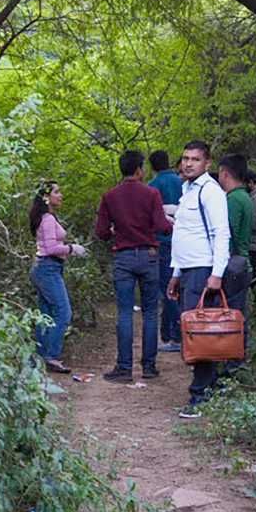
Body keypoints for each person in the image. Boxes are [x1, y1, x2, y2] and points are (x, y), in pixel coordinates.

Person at [96, 150, 174, 382]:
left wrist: (115, 231)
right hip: (149, 255)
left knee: (125, 312)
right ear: (139, 170)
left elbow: (101, 232)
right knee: (151, 312)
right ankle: (149, 367)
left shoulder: (110, 196)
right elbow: (162, 225)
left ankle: (124, 367)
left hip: (124, 257)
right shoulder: (151, 194)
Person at [166, 141, 230, 418]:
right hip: (189, 270)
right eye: (185, 158)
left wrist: (216, 274)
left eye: (195, 159)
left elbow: (221, 234)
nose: (188, 163)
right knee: (195, 331)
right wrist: (176, 274)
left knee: (200, 334)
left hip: (204, 271)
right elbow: (185, 236)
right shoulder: (187, 190)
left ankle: (200, 395)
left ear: (207, 164)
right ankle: (210, 386)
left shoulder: (210, 192)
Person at [30, 181, 87, 373]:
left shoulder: (48, 217)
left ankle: (40, 356)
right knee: (63, 312)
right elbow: (51, 248)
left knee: (46, 314)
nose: (61, 195)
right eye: (57, 192)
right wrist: (72, 248)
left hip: (48, 268)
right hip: (47, 268)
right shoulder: (46, 219)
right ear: (46, 197)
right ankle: (51, 356)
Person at [217, 155, 254, 374]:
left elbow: (227, 235)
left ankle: (233, 364)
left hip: (234, 266)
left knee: (231, 316)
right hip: (243, 264)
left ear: (225, 173)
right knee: (238, 314)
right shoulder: (246, 197)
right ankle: (236, 361)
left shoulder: (233, 201)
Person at [147, 150, 184, 352]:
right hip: (184, 242)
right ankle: (171, 333)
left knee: (167, 288)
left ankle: (176, 335)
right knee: (179, 287)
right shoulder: (182, 183)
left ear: (152, 166)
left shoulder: (152, 187)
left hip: (162, 242)